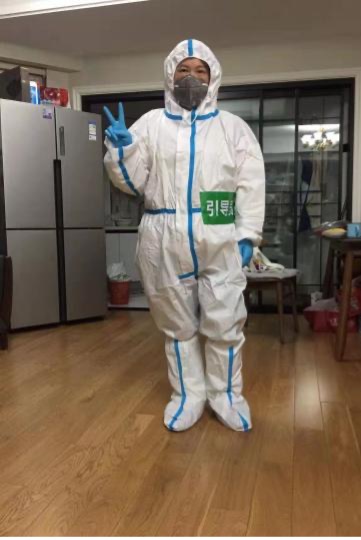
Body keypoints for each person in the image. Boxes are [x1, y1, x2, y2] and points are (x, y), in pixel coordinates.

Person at [104, 39, 265, 432]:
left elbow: (251, 183)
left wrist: (247, 234)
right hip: (163, 234)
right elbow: (132, 183)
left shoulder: (233, 128)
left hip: (218, 233)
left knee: (225, 322)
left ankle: (227, 397)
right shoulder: (150, 124)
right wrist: (123, 151)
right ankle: (188, 397)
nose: (191, 78)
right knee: (177, 326)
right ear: (170, 75)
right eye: (183, 70)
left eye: (200, 71)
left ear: (213, 78)